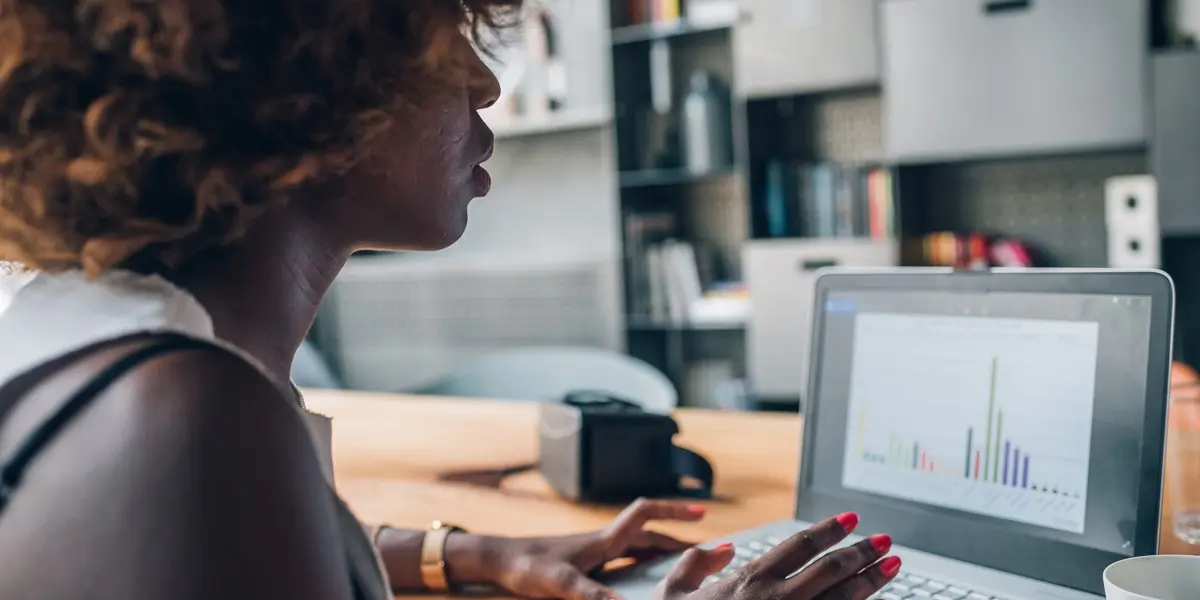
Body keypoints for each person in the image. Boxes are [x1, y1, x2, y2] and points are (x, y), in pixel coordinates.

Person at [0, 2, 900, 599]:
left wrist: (468, 553)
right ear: (300, 89)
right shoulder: (192, 424)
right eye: (433, 35)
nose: (485, 82)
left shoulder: (80, 338)